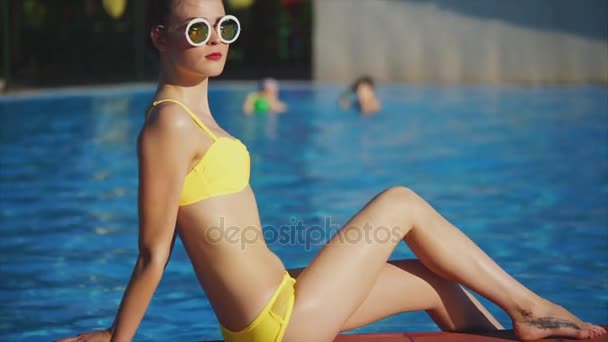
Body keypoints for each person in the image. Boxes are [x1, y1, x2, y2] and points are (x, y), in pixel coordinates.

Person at [58, 1, 606, 341]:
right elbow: (154, 252)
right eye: (196, 32)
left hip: (286, 300)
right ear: (159, 37)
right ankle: (531, 307)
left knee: (437, 284)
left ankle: (519, 332)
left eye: (222, 25)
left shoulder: (196, 113)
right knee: (402, 203)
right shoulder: (169, 126)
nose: (216, 40)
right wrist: (115, 338)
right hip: (274, 328)